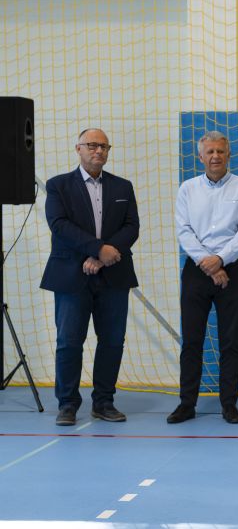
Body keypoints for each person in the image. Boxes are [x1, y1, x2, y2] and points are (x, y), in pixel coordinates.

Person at [41, 128, 140, 426]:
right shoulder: (58, 185)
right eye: (92, 145)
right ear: (78, 149)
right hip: (71, 275)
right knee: (69, 341)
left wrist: (103, 256)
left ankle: (104, 402)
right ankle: (67, 404)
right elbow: (59, 225)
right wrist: (97, 249)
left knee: (112, 341)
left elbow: (131, 227)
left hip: (114, 274)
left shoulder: (123, 186)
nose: (99, 151)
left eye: (104, 146)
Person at [167, 131, 238, 425]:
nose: (215, 156)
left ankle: (229, 405)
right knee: (191, 341)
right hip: (196, 270)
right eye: (210, 152)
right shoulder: (187, 189)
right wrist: (209, 264)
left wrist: (220, 260)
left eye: (220, 151)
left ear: (229, 155)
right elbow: (184, 231)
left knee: (230, 342)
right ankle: (186, 404)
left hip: (232, 270)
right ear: (200, 157)